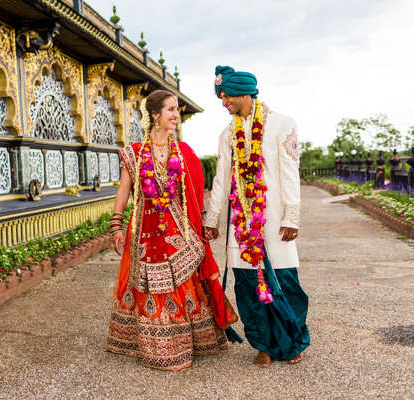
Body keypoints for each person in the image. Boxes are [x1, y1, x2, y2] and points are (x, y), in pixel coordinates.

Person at [106, 89, 239, 371]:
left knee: (184, 281)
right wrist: (116, 224)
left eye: (177, 109)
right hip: (144, 228)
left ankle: (188, 341)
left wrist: (205, 222)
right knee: (147, 284)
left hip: (178, 228)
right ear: (154, 115)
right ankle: (152, 344)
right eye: (170, 110)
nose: (176, 115)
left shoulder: (183, 152)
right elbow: (124, 189)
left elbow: (192, 192)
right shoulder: (135, 153)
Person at [203, 65, 310, 368]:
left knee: (286, 283)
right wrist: (212, 219)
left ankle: (291, 342)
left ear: (244, 92)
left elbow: (290, 174)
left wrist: (292, 217)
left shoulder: (282, 124)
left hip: (274, 220)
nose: (224, 103)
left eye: (226, 97)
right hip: (242, 223)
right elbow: (222, 180)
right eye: (221, 98)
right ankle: (262, 344)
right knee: (249, 287)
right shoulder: (226, 135)